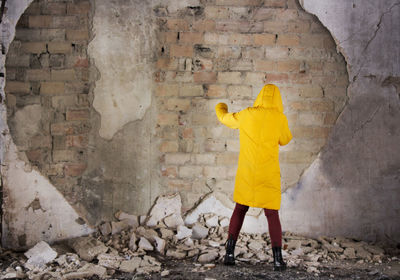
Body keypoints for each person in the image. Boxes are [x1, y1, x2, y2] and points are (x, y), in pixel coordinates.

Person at [215, 84, 292, 271]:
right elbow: (285, 139)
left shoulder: (247, 114)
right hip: (269, 174)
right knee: (272, 214)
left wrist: (221, 106)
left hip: (247, 172)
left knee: (240, 208)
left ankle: (229, 254)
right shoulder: (279, 118)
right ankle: (277, 260)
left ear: (259, 97)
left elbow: (225, 119)